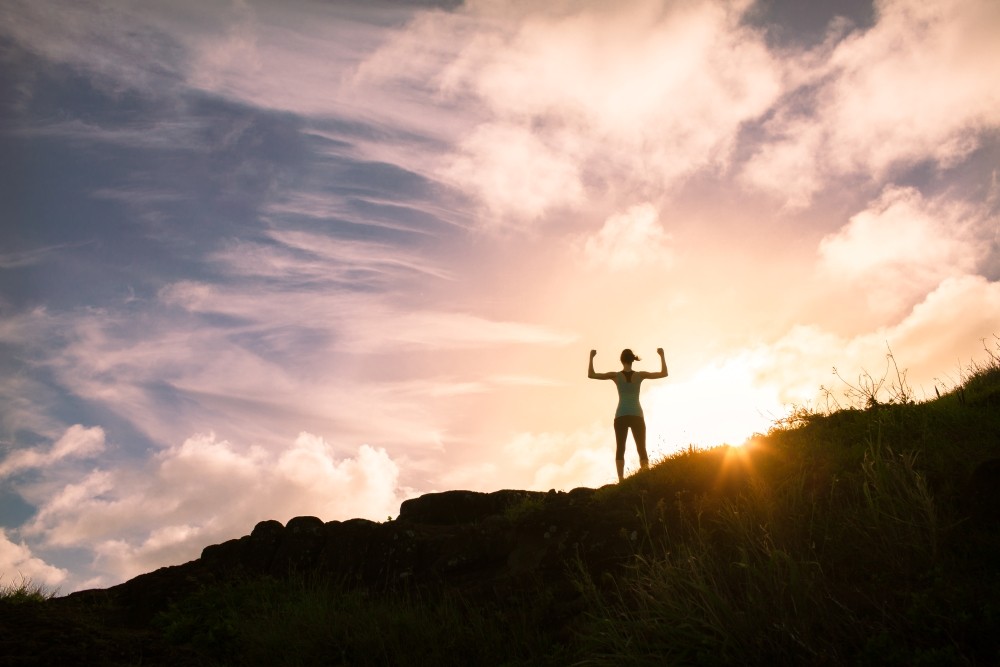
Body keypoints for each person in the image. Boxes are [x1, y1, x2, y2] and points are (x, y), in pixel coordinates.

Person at [589, 348, 668, 482]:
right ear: (632, 360)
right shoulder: (640, 375)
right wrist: (662, 355)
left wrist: (591, 357)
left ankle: (621, 480)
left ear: (621, 360)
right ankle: (645, 476)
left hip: (621, 415)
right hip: (637, 415)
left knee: (621, 447)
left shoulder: (615, 375)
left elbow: (592, 374)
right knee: (641, 447)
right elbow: (663, 373)